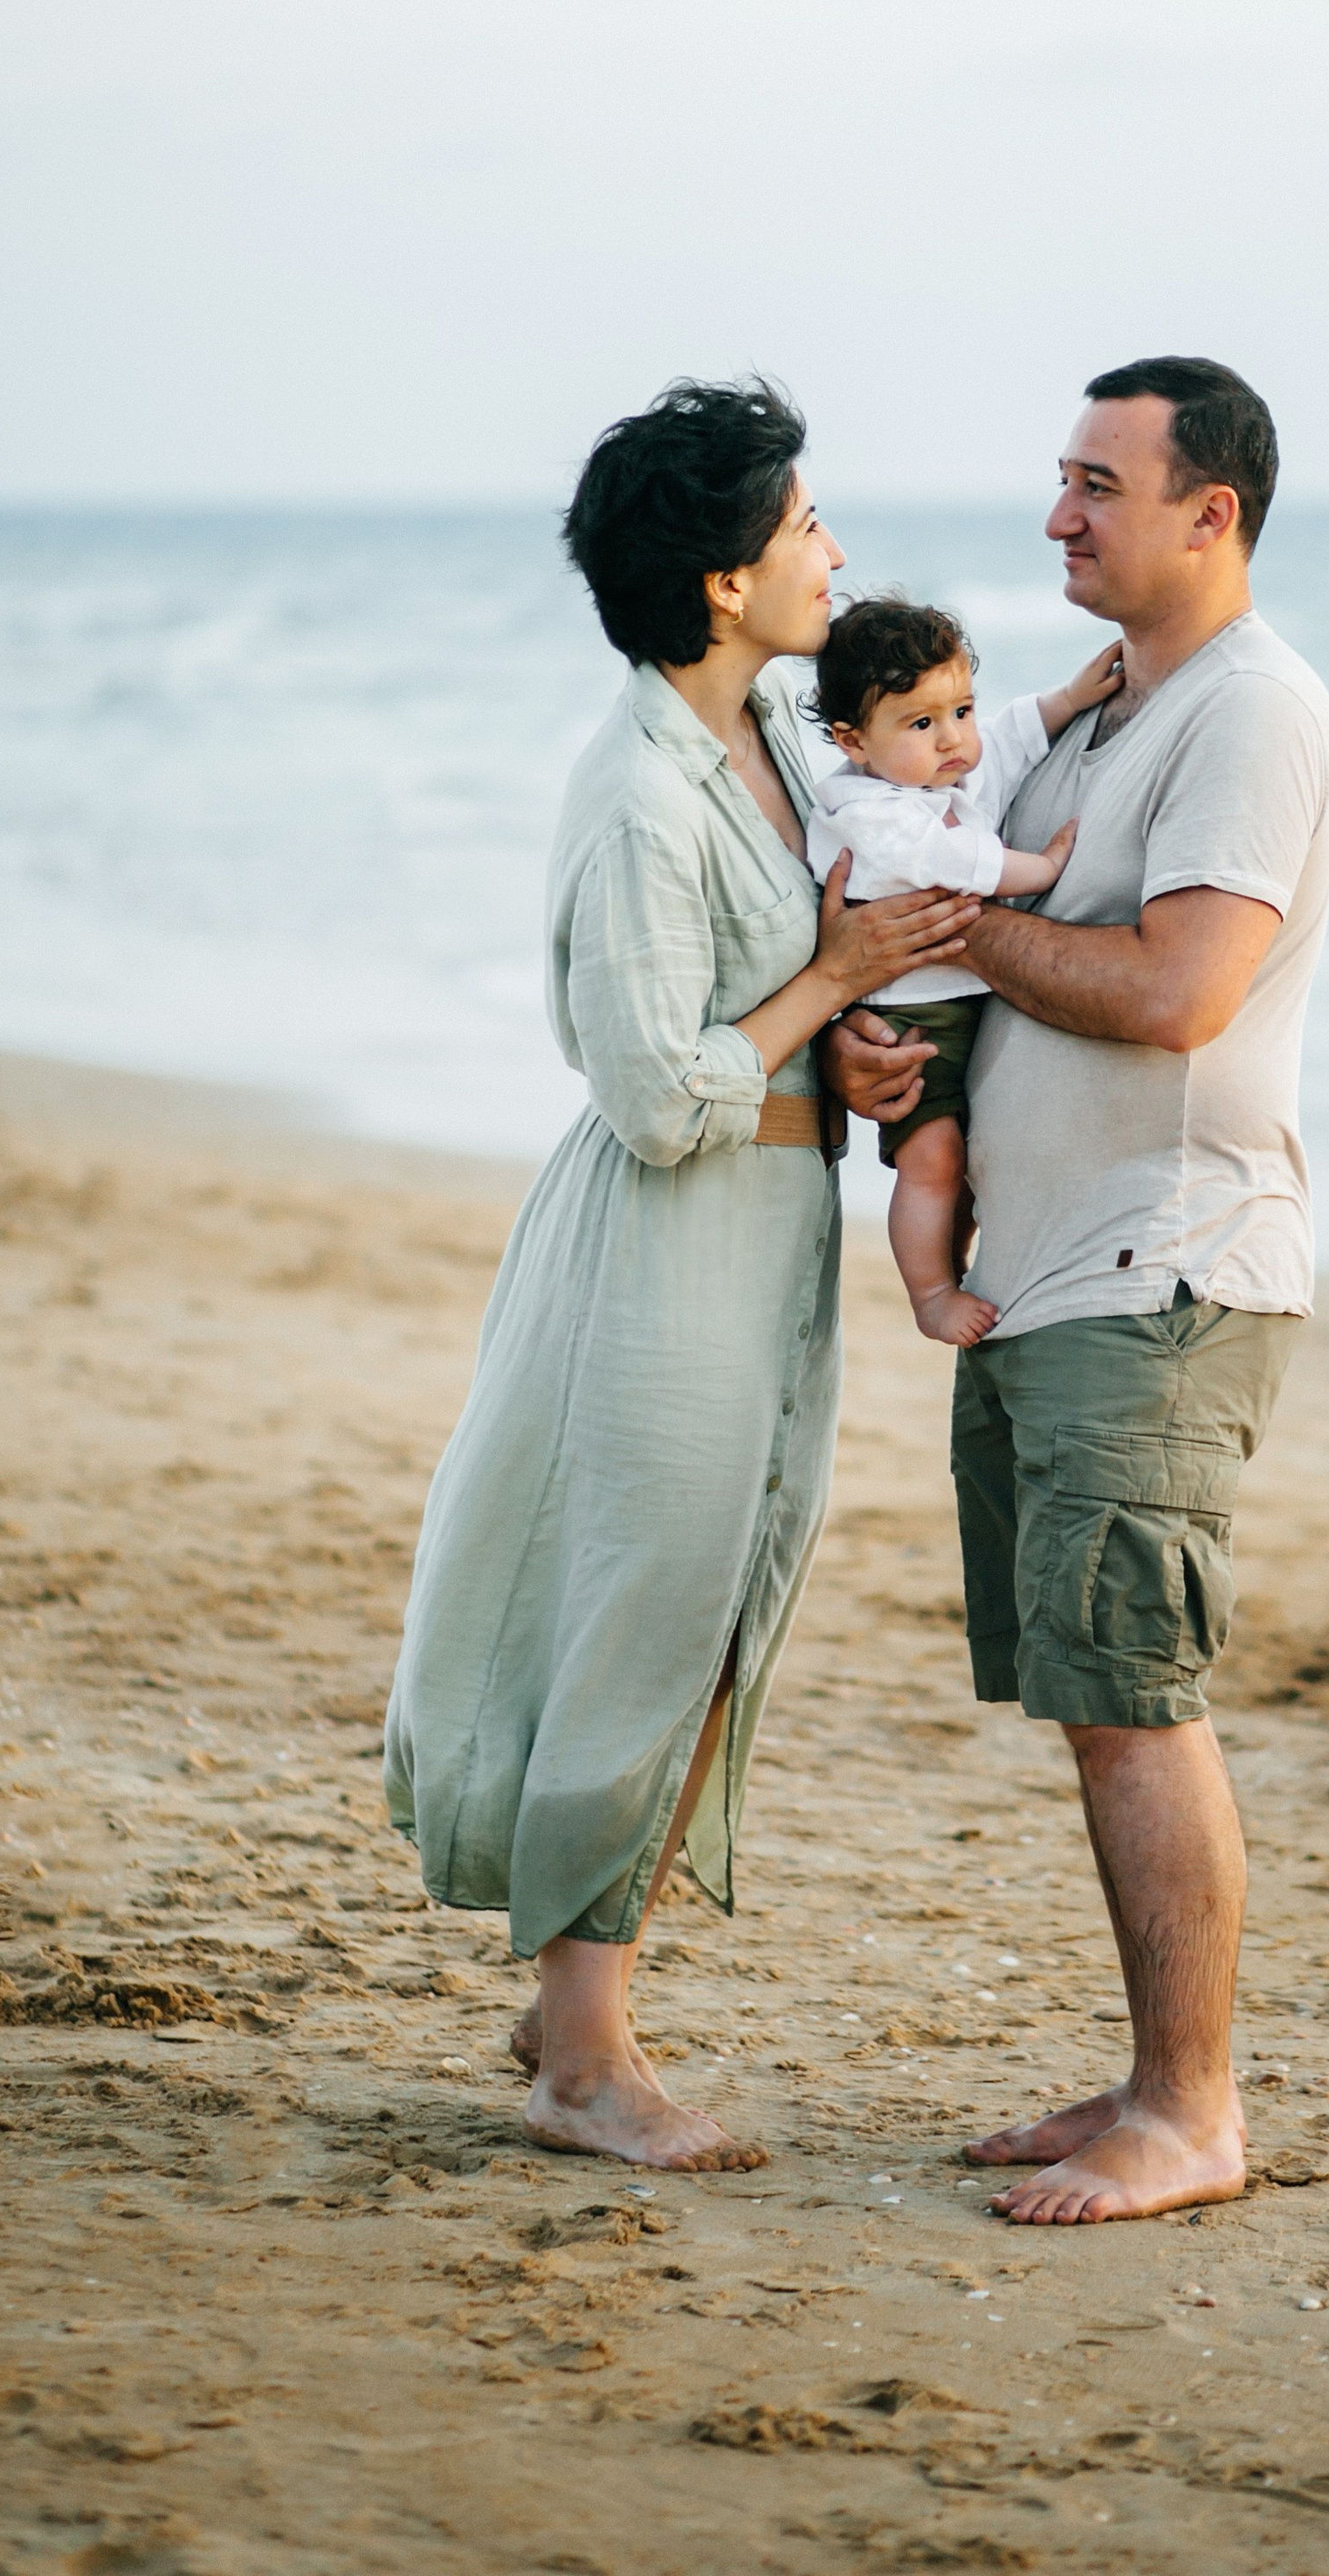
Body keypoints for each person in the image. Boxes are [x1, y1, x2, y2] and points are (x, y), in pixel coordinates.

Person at [384, 378, 980, 2173]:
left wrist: (855, 1054)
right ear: (721, 579)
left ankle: (580, 2007)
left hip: (765, 1230)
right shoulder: (634, 786)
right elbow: (649, 1088)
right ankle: (583, 2068)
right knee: (646, 1616)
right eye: (804, 524)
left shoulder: (784, 744)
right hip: (664, 1245)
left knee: (716, 1609)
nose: (834, 550)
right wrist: (821, 991)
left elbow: (796, 981)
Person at [824, 355, 1329, 2224]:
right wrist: (890, 1064)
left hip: (1166, 1259)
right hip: (1050, 1270)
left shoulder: (1251, 717)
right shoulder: (1104, 714)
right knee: (1090, 1685)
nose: (1057, 514)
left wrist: (959, 934)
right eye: (1058, 479)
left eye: (1095, 485)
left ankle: (1193, 2115)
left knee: (1136, 1686)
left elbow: (1174, 989)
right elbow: (1004, 951)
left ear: (1209, 513)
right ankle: (1147, 2076)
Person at [802, 595, 1122, 1346]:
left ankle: (962, 1256)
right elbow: (950, 861)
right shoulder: (866, 810)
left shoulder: (929, 780)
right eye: (921, 723)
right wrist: (1039, 867)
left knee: (969, 1160)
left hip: (963, 1003)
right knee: (933, 1160)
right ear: (853, 739)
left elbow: (1007, 743)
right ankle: (931, 1291)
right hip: (914, 1019)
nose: (952, 739)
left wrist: (1069, 700)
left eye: (961, 710)